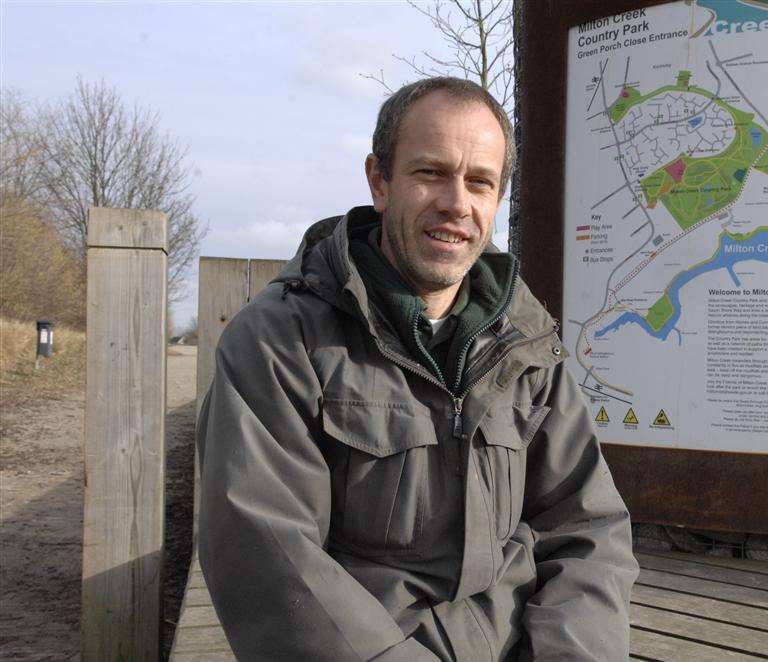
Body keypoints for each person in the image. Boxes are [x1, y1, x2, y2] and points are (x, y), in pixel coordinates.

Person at [197, 76, 638, 662]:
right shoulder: (279, 342)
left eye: (480, 182)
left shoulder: (527, 347)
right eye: (431, 173)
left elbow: (589, 530)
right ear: (379, 181)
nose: (457, 203)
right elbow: (270, 559)